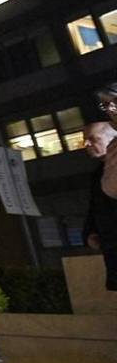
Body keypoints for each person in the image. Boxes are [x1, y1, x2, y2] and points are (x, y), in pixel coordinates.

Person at [83, 120, 117, 290]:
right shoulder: (97, 175)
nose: (86, 144)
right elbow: (95, 208)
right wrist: (91, 233)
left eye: (93, 138)